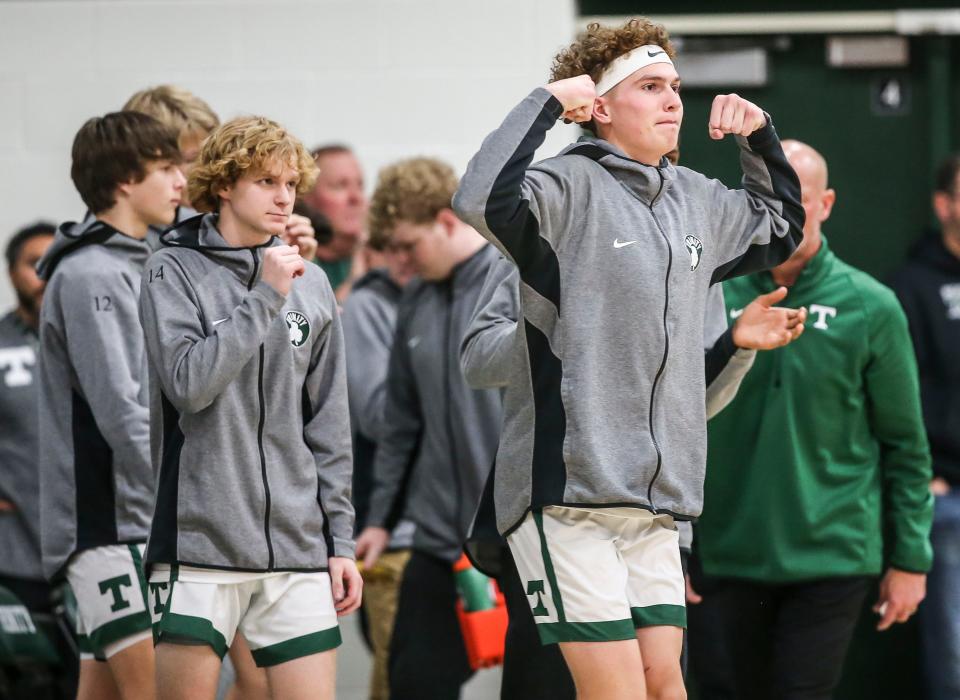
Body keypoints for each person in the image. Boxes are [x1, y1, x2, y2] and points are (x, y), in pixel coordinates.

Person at [452, 16, 804, 699]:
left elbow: (782, 226)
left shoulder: (697, 199)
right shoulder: (563, 188)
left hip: (659, 505)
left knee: (663, 685)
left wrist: (760, 133)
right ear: (602, 106)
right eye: (650, 86)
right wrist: (549, 102)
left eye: (674, 85)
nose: (673, 98)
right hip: (568, 498)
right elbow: (479, 198)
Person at [461, 254, 805, 698]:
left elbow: (689, 406)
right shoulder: (537, 213)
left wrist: (734, 347)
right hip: (559, 507)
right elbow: (477, 359)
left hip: (654, 512)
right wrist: (565, 325)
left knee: (661, 686)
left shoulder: (692, 222)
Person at [689, 140, 933, 700]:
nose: (784, 210)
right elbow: (668, 423)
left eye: (797, 196)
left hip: (832, 554)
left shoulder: (871, 306)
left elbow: (905, 445)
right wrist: (674, 548)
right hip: (725, 552)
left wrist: (911, 560)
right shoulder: (708, 295)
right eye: (770, 195)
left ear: (825, 202)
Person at [138, 116, 361, 700]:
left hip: (297, 547)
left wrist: (339, 543)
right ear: (225, 186)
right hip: (199, 546)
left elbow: (330, 424)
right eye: (266, 181)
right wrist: (265, 295)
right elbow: (189, 385)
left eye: (290, 182)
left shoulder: (309, 281)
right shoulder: (172, 269)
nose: (284, 196)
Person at [36, 111, 185, 700]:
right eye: (167, 167)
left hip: (132, 519)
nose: (181, 182)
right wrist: (188, 495)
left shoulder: (138, 260)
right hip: (106, 523)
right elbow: (124, 413)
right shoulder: (89, 274)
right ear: (125, 179)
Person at [354, 157, 504, 699]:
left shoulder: (508, 282)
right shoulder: (414, 300)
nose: (399, 261)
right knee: (411, 682)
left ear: (446, 220)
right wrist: (379, 518)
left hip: (518, 535)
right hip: (441, 537)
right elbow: (400, 425)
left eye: (407, 245)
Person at [889, 153, 960, 700]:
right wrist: (931, 475)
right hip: (946, 495)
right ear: (945, 205)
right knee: (952, 653)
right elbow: (901, 399)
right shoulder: (912, 286)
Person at [340, 223, 415, 700]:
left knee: (422, 672)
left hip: (441, 528)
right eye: (399, 248)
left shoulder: (443, 297)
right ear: (378, 252)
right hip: (387, 530)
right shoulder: (368, 306)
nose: (410, 260)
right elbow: (377, 416)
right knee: (401, 673)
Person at [124, 85, 318, 264]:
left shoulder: (197, 223)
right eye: (192, 159)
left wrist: (293, 265)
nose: (209, 167)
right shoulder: (117, 246)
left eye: (207, 156)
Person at [0, 222, 55, 613]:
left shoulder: (102, 337)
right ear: (10, 273)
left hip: (98, 547)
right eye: (33, 263)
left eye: (54, 263)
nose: (44, 275)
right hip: (16, 556)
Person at [302, 145, 368, 300]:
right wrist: (356, 279)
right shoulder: (294, 260)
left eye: (360, 185)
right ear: (307, 197)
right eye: (340, 186)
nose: (356, 198)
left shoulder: (386, 258)